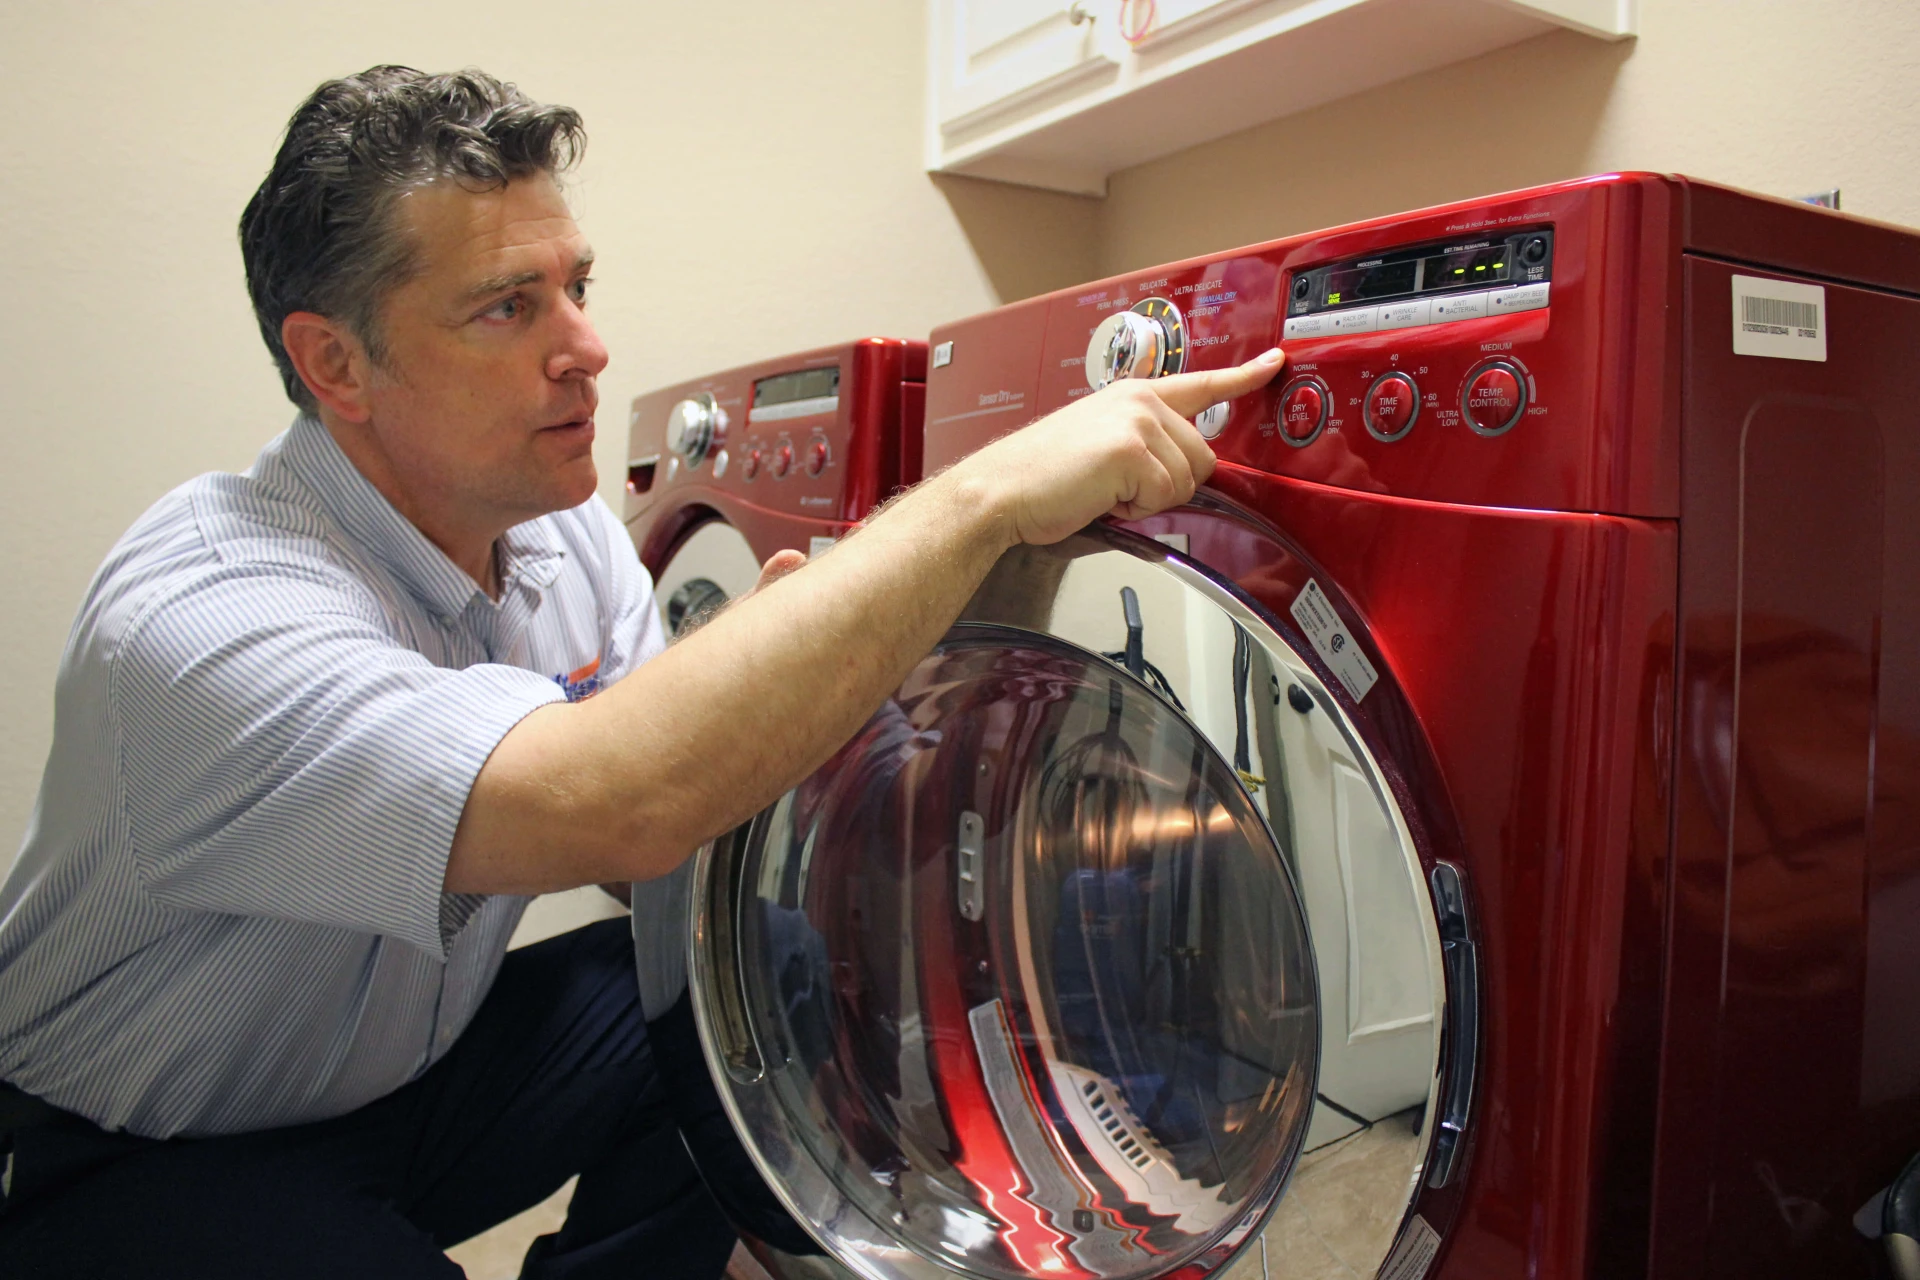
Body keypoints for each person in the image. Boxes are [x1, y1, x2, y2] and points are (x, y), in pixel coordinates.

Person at [0, 66, 1284, 1278]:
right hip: (133, 1150)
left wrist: (811, 683)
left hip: (409, 1081)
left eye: (577, 285)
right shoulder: (207, 616)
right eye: (510, 306)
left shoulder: (551, 536)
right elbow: (620, 797)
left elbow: (665, 844)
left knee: (741, 988)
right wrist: (986, 497)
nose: (588, 345)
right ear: (335, 363)